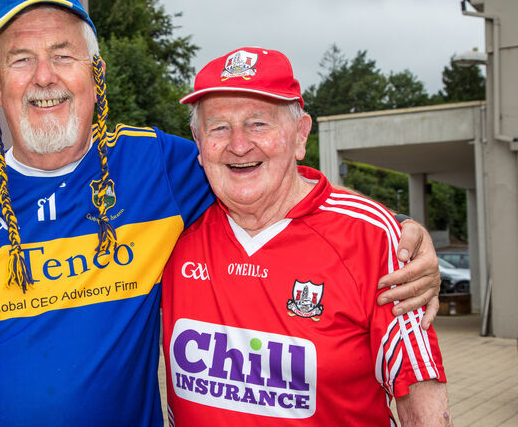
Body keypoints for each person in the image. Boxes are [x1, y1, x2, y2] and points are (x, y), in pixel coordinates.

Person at [0, 0, 441, 425]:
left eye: (63, 55)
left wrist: (401, 232)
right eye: (20, 59)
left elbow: (266, 173)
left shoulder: (155, 168)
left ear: (95, 75)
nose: (44, 76)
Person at [162, 47, 449, 425]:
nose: (238, 144)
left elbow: (420, 394)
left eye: (258, 123)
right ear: (198, 143)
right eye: (219, 127)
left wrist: (400, 225)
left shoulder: (374, 239)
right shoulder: (173, 231)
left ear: (300, 135)